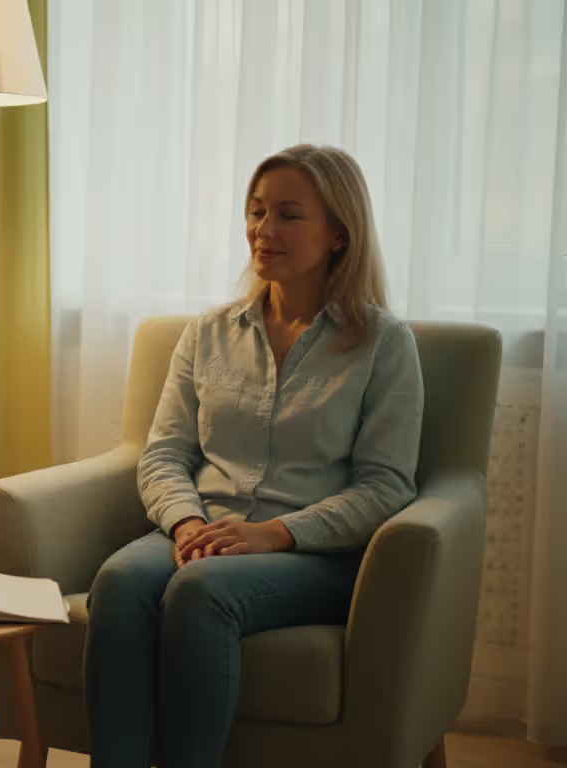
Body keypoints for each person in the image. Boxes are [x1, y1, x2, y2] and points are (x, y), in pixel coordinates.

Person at [83, 144, 424, 768]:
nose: (262, 231)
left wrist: (275, 533)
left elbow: (386, 487)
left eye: (288, 215)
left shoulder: (383, 344)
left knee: (202, 592)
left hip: (313, 552)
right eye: (256, 211)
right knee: (120, 581)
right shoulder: (208, 333)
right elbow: (163, 454)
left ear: (339, 235)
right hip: (205, 527)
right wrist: (186, 523)